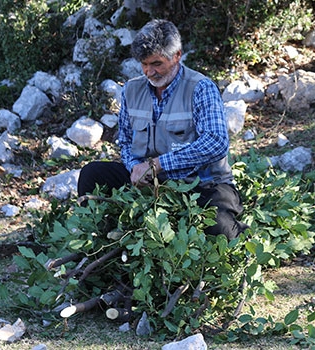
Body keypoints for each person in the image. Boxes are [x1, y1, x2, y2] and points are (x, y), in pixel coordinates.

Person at [78, 19, 247, 240]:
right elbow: (126, 142)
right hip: (149, 184)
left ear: (177, 55)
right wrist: (135, 168)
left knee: (220, 230)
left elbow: (216, 142)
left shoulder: (201, 88)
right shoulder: (131, 90)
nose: (149, 71)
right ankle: (94, 238)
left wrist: (157, 165)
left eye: (157, 63)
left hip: (200, 184)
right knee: (92, 174)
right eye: (144, 64)